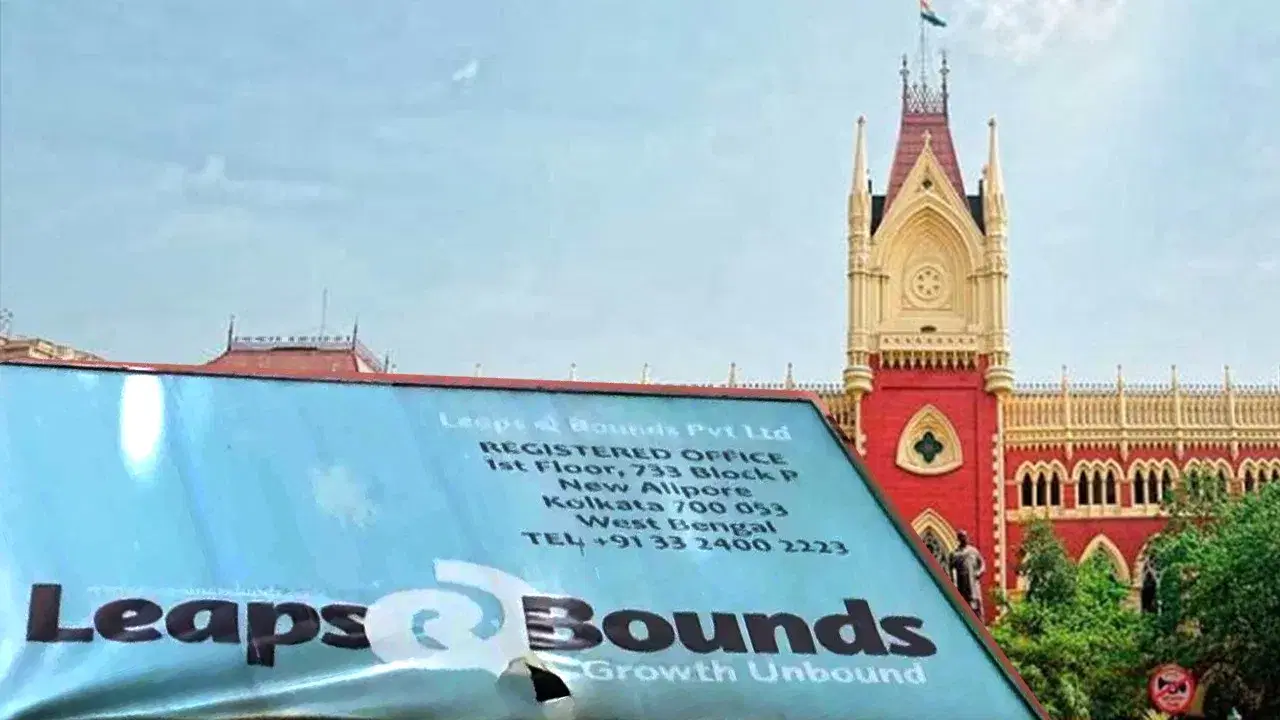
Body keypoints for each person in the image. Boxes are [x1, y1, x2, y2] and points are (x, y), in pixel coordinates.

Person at [949, 530, 985, 617]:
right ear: (959, 539)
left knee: (977, 606)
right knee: (964, 606)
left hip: (973, 583)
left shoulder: (973, 551)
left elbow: (982, 564)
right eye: (962, 537)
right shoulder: (955, 554)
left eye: (965, 536)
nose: (965, 539)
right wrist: (954, 582)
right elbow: (951, 569)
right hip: (962, 584)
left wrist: (979, 573)